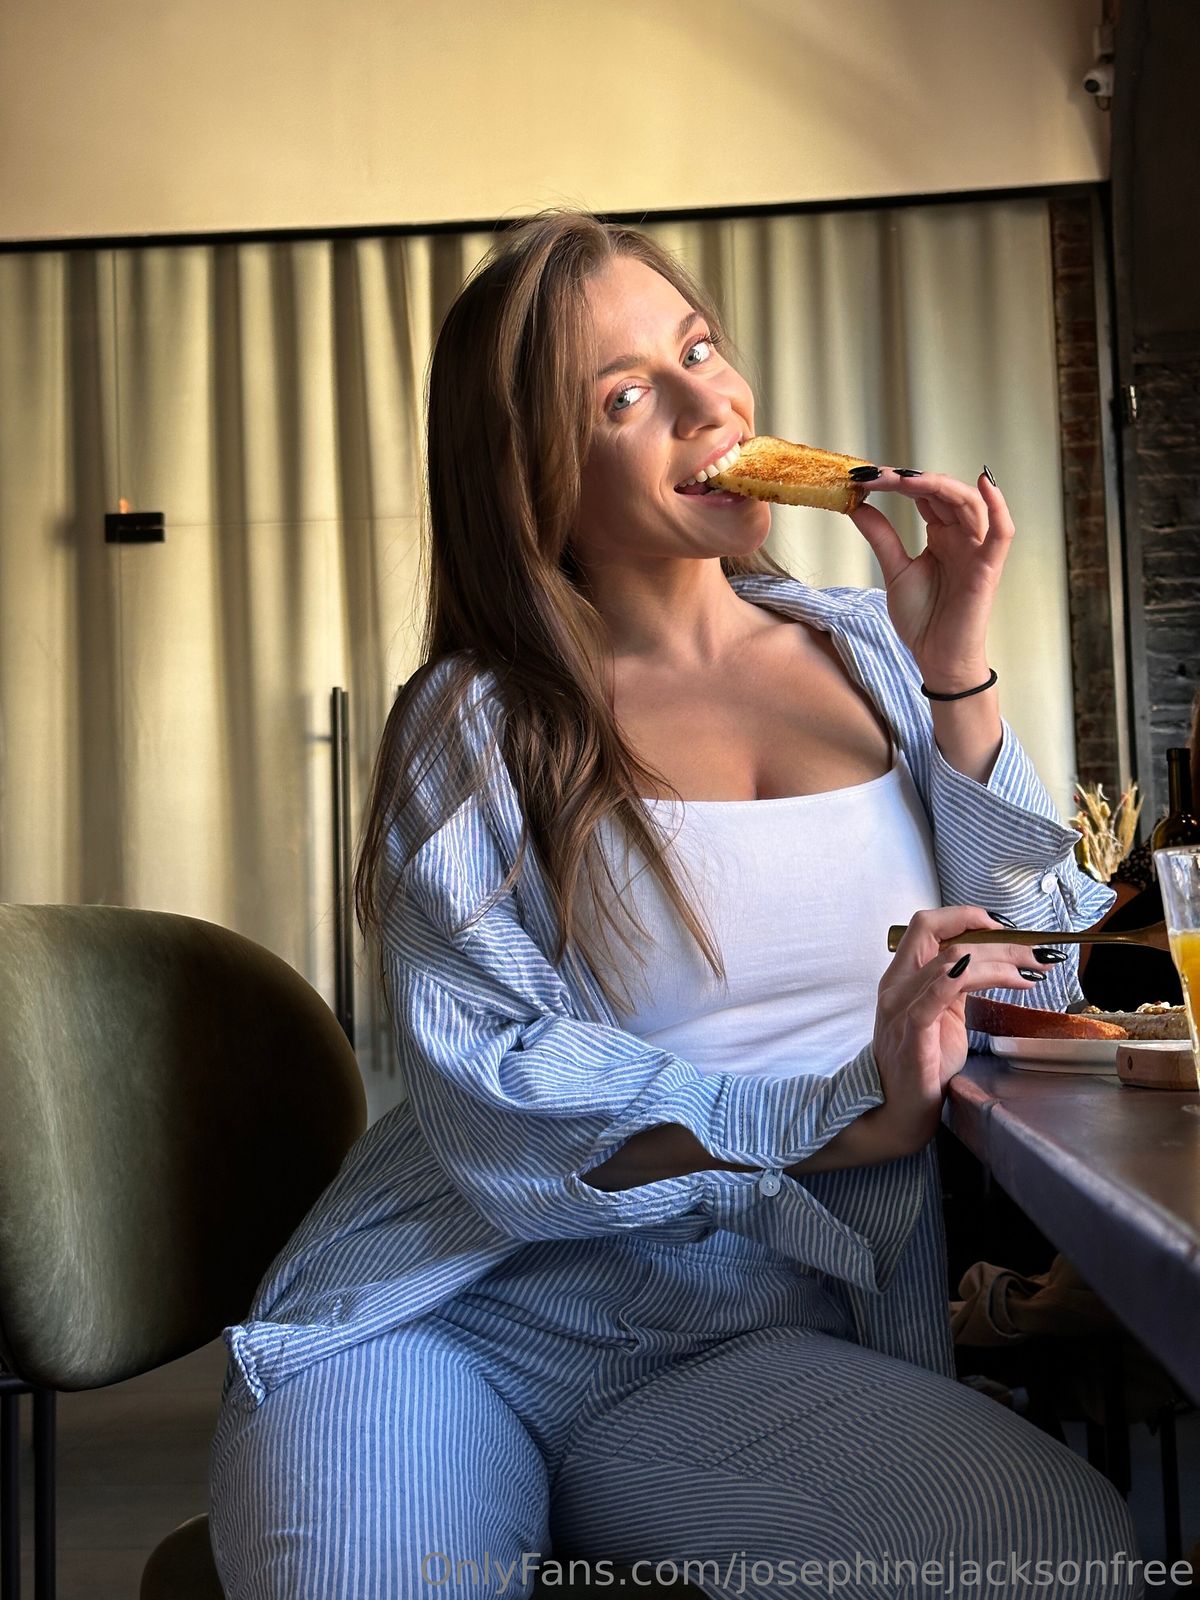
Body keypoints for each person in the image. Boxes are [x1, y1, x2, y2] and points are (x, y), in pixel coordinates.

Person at [209, 213, 1143, 1599]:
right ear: (532, 476)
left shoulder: (878, 652)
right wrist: (842, 1112)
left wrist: (957, 671)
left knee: (1057, 1552)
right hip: (452, 1308)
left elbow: (1039, 985)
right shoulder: (476, 720)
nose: (712, 406)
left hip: (750, 1324)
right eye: (625, 397)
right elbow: (494, 1092)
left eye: (698, 350)